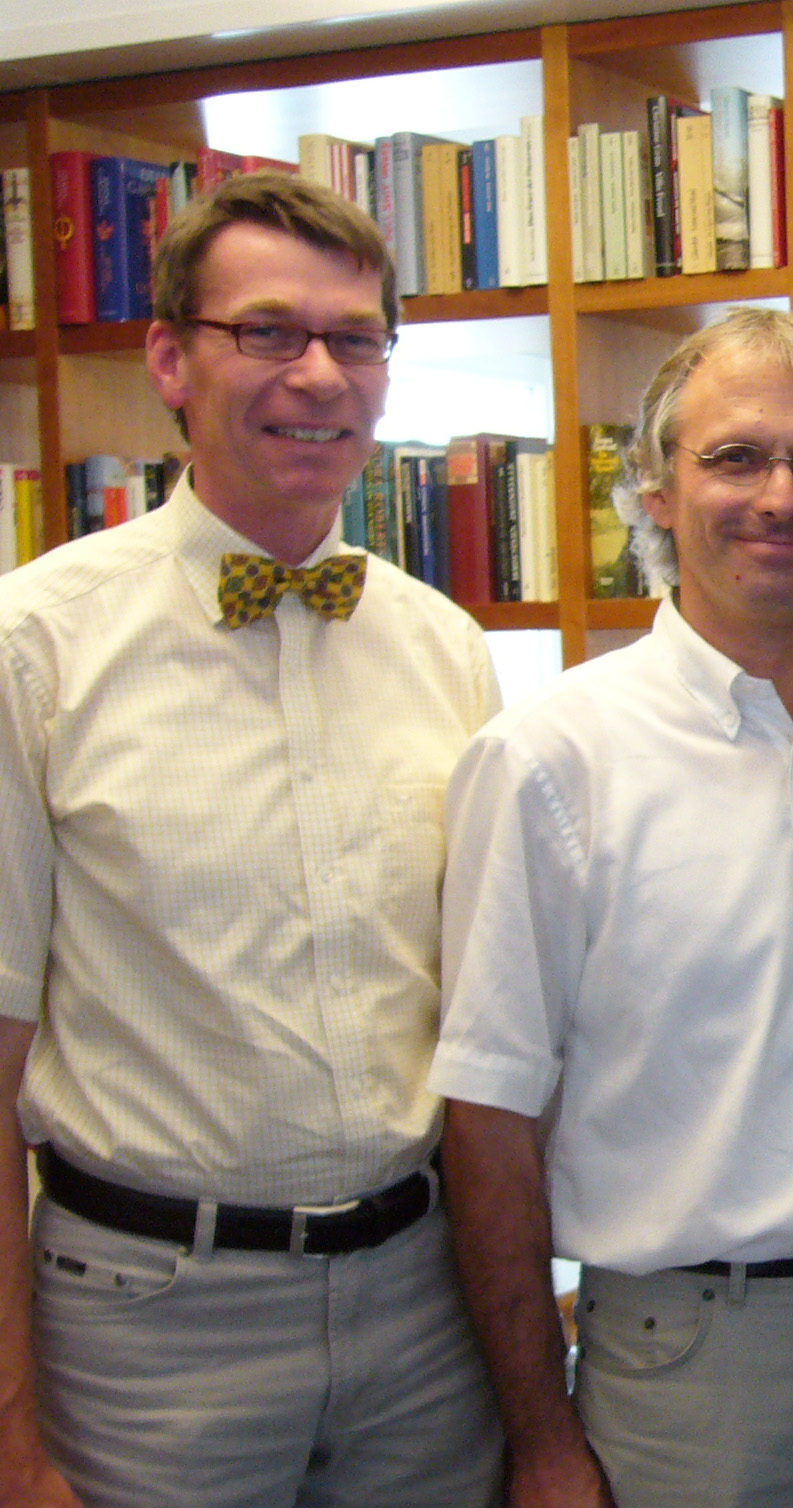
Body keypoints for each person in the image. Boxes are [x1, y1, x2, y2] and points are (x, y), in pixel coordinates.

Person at [433, 307, 793, 1508]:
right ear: (655, 488)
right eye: (736, 457)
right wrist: (540, 1438)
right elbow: (487, 1123)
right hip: (691, 1370)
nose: (780, 497)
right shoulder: (548, 761)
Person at [0, 173, 502, 1507]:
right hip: (149, 1325)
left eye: (356, 339)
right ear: (171, 359)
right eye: (268, 332)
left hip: (421, 1310)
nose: (319, 375)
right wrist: (10, 1441)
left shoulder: (449, 650)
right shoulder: (33, 651)